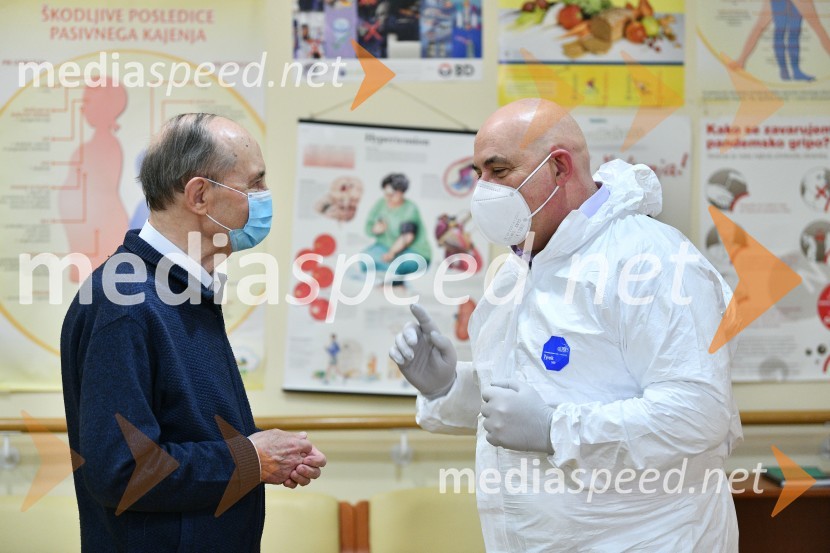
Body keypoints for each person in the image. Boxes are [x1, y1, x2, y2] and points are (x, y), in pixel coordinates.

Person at [389, 99, 742, 552]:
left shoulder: (652, 260)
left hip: (650, 539)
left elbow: (698, 412)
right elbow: (535, 392)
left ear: (559, 168)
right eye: (478, 173)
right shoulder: (520, 267)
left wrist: (555, 430)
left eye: (498, 171)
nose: (482, 190)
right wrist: (449, 389)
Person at [61, 113, 327, 552]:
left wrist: (269, 458)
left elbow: (186, 432)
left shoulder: (182, 292)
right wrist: (250, 458)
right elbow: (121, 470)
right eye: (255, 184)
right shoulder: (124, 302)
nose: (265, 198)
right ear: (200, 195)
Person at [363, 172, 431, 280]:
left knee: (399, 266)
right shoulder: (381, 203)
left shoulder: (410, 208)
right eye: (386, 194)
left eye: (392, 194)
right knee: (364, 260)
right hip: (384, 246)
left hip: (412, 250)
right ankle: (387, 275)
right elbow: (368, 227)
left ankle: (393, 280)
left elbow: (407, 236)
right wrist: (375, 229)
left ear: (401, 192)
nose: (388, 198)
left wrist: (391, 253)